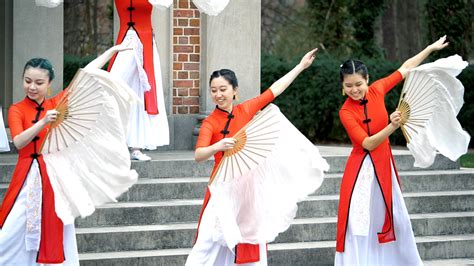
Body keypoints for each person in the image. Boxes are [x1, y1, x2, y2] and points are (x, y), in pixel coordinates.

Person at [186, 48, 325, 265]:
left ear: (234, 90)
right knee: (208, 240)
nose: (218, 94)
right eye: (214, 90)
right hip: (221, 186)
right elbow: (198, 155)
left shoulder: (246, 109)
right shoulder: (210, 122)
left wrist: (300, 66)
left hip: (249, 186)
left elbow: (274, 90)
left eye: (223, 89)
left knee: (251, 239)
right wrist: (218, 146)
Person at [0, 44, 132, 265]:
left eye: (39, 83)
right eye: (28, 81)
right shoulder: (16, 109)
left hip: (54, 174)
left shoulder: (56, 104)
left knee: (58, 225)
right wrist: (43, 122)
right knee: (15, 224)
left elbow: (84, 76)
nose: (32, 87)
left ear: (49, 84)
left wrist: (113, 51)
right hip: (28, 175)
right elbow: (19, 142)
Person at [335, 36, 449, 265]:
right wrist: (392, 125)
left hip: (384, 164)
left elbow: (405, 68)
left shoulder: (378, 90)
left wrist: (429, 48)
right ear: (342, 86)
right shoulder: (345, 112)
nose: (354, 90)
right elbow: (366, 143)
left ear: (368, 80)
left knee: (394, 215)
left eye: (358, 84)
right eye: (348, 86)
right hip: (361, 171)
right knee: (359, 221)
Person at [108, 0, 170, 161]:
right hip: (125, 42)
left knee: (142, 92)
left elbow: (164, 4)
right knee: (113, 88)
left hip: (145, 41)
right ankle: (109, 142)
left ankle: (136, 147)